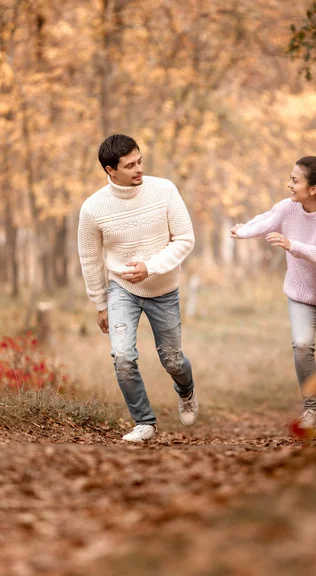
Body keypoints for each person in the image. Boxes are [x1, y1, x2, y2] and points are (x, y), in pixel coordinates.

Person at [231, 156, 316, 436]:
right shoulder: (287, 208)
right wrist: (242, 231)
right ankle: (310, 409)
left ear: (313, 189)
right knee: (302, 344)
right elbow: (266, 221)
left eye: (295, 180)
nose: (289, 185)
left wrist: (292, 245)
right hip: (302, 292)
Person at [78, 134, 198, 443]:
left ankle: (186, 390)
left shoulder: (164, 191)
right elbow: (90, 259)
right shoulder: (93, 208)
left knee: (172, 360)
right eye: (129, 165)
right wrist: (100, 304)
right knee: (122, 355)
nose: (138, 169)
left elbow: (185, 239)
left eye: (140, 161)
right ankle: (145, 422)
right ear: (110, 170)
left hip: (164, 289)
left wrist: (151, 267)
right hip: (122, 290)